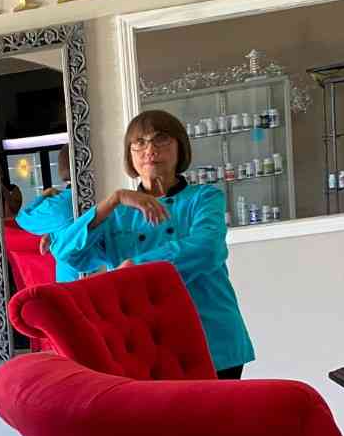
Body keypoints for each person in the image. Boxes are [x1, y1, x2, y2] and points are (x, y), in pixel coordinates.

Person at [47, 109, 255, 378]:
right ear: (130, 155)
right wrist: (113, 201)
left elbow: (207, 249)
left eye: (161, 140)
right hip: (146, 342)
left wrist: (137, 268)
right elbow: (65, 253)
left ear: (180, 148)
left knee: (218, 418)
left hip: (210, 335)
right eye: (140, 143)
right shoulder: (117, 213)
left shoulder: (204, 198)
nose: (150, 150)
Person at [15, 145, 86, 280]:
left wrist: (45, 194)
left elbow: (23, 218)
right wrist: (52, 235)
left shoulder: (59, 205)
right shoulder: (74, 200)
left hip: (71, 281)